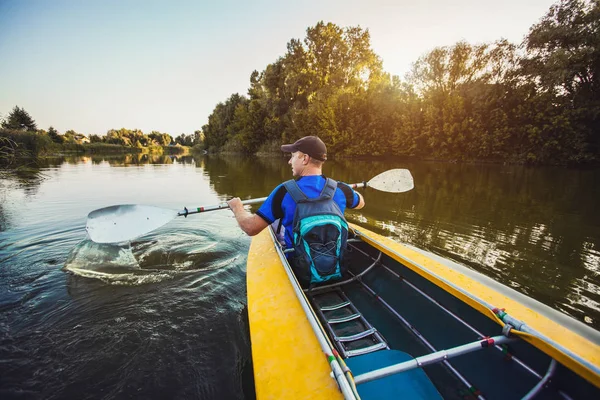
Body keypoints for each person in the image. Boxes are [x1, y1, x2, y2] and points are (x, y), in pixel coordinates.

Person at [227, 136, 364, 248]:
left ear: (305, 158)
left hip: (297, 267)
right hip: (335, 265)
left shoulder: (284, 191)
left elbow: (251, 228)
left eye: (293, 156)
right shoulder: (341, 188)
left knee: (276, 224)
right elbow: (360, 203)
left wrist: (237, 207)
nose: (289, 161)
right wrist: (349, 191)